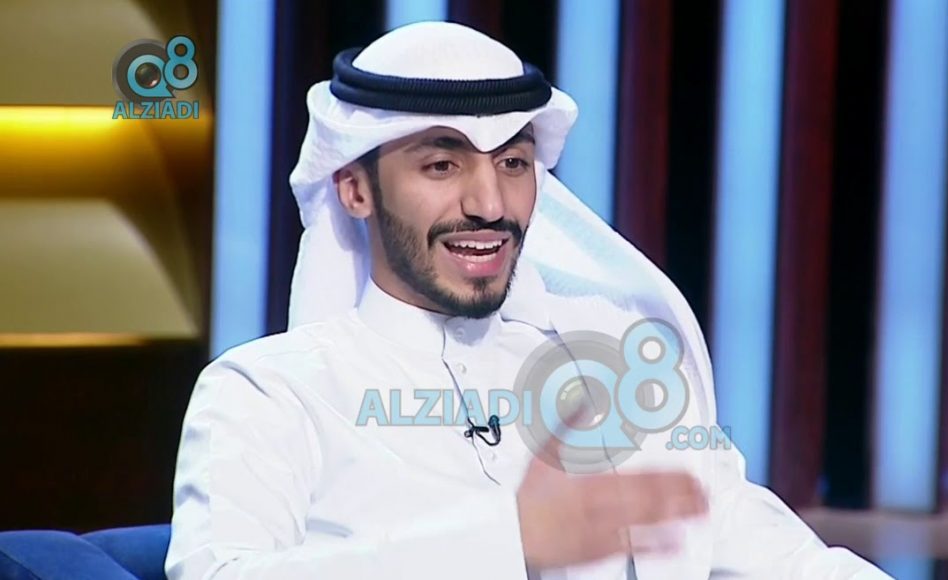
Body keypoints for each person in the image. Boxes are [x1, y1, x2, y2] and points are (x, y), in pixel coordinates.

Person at [165, 21, 892, 580]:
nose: (490, 204)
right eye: (442, 164)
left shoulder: (606, 365)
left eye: (513, 162)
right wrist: (507, 542)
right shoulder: (268, 391)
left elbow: (768, 547)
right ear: (354, 189)